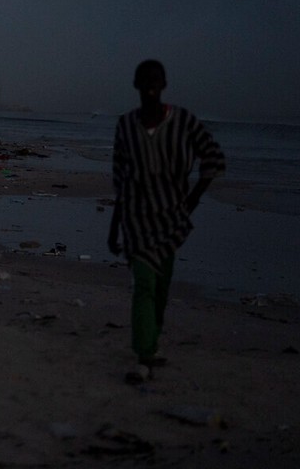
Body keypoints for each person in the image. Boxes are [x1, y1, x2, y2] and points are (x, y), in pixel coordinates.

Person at [108, 59, 225, 384]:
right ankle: (143, 355)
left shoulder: (184, 121)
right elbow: (121, 179)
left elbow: (213, 157)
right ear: (136, 84)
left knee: (161, 286)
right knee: (144, 285)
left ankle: (152, 343)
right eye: (144, 79)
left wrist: (192, 200)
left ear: (164, 84)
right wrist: (114, 226)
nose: (150, 85)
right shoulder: (126, 126)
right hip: (135, 221)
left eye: (155, 79)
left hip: (171, 221)